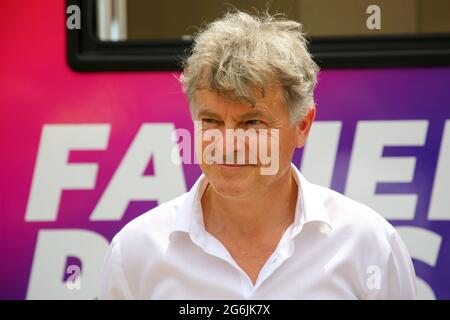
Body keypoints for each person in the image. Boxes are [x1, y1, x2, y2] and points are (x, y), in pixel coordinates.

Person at [100, 10, 416, 299]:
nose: (227, 143)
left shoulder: (369, 244)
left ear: (303, 125)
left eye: (252, 122)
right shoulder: (135, 251)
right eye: (211, 121)